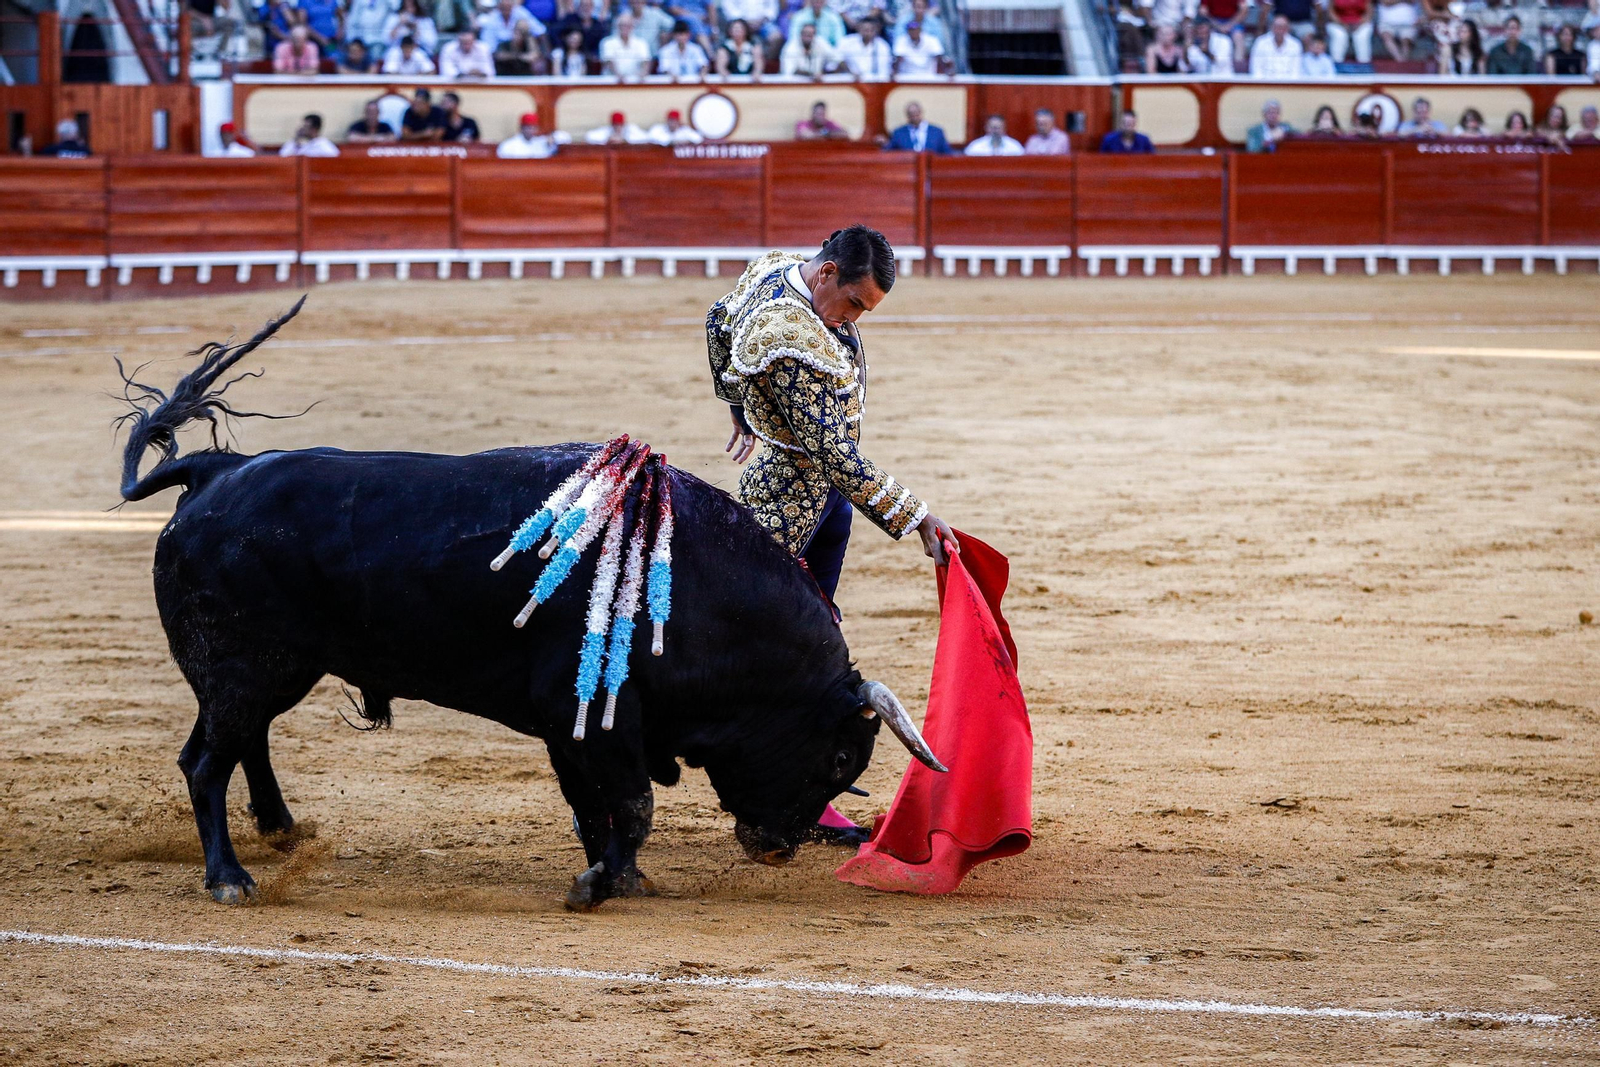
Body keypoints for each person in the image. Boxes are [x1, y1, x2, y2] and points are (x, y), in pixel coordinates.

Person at [705, 224, 957, 610]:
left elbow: (717, 319)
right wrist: (917, 517)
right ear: (827, 273)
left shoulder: (775, 268)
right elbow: (832, 452)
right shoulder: (786, 337)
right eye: (853, 302)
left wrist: (739, 405)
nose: (853, 317)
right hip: (792, 498)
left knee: (819, 615)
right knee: (767, 614)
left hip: (831, 494)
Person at [883, 100, 950, 152]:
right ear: (907, 116)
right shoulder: (899, 133)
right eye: (911, 114)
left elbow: (947, 154)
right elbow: (890, 152)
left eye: (916, 113)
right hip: (908, 168)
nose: (914, 117)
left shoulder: (936, 132)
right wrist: (885, 144)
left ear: (921, 112)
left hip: (931, 168)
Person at [478, 0, 545, 52]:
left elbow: (539, 30)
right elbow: (488, 42)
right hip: (502, 49)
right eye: (504, 8)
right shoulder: (492, 18)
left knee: (523, 25)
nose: (506, 11)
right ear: (499, 8)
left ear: (512, 6)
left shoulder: (520, 12)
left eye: (508, 8)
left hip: (522, 47)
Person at [498, 112, 567, 156]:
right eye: (529, 128)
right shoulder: (509, 145)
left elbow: (565, 138)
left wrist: (552, 138)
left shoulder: (541, 142)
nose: (532, 131)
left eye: (534, 128)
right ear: (521, 128)